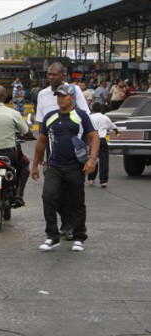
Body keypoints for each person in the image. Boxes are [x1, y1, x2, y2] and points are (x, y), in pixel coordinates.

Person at [31, 84, 100, 252]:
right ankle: (52, 237)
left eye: (63, 96)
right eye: (58, 96)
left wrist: (91, 159)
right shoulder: (50, 117)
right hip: (54, 166)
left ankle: (78, 237)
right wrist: (34, 165)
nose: (60, 99)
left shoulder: (81, 116)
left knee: (77, 202)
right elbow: (41, 142)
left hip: (75, 167)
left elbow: (94, 137)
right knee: (48, 197)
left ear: (72, 97)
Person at [34, 62, 90, 239]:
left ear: (63, 75)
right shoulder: (42, 95)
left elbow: (84, 116)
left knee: (72, 192)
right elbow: (41, 124)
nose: (51, 77)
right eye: (49, 74)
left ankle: (73, 225)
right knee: (52, 193)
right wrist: (40, 155)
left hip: (74, 147)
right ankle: (66, 221)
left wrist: (89, 155)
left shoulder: (74, 91)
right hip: (52, 149)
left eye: (55, 74)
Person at [87, 102, 119, 187]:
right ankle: (103, 181)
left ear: (92, 109)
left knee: (93, 159)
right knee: (104, 160)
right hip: (102, 139)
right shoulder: (105, 118)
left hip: (92, 140)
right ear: (101, 109)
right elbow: (114, 127)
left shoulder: (89, 117)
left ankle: (91, 178)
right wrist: (118, 134)